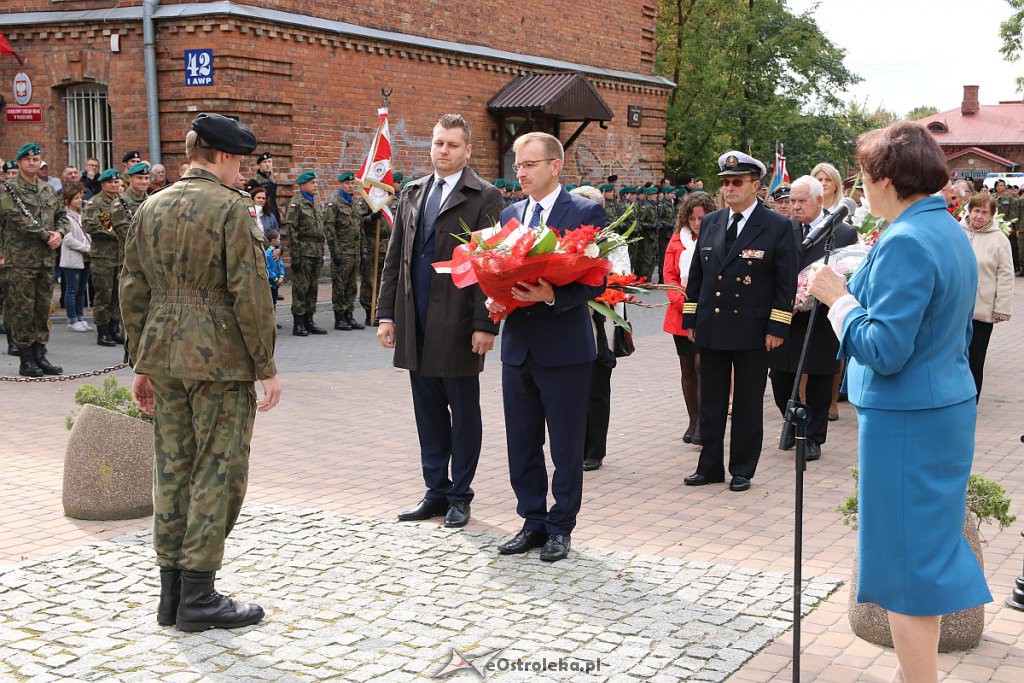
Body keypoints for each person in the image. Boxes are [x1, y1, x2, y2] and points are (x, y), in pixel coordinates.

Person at [808, 121, 992, 683]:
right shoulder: (944, 228)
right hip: (940, 406)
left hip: (907, 418)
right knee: (925, 554)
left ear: (885, 178)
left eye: (863, 178)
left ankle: (919, 679)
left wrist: (839, 301)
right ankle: (918, 672)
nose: (861, 190)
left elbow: (884, 349)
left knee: (907, 562)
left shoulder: (908, 239)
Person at [121, 112, 280, 632]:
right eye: (241, 163)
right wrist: (266, 365)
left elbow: (132, 287)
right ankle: (199, 596)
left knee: (172, 468)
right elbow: (250, 293)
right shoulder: (233, 210)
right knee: (219, 469)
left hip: (164, 355)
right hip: (220, 360)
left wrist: (140, 360)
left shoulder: (151, 205)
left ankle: (171, 595)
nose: (244, 174)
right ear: (226, 158)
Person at [376, 113, 502, 529]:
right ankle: (435, 489)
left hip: (460, 324)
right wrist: (386, 315)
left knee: (463, 413)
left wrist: (485, 323)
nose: (442, 151)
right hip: (417, 321)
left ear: (467, 150)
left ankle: (460, 495)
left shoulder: (484, 196)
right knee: (427, 411)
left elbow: (490, 265)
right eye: (437, 143)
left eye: (451, 144)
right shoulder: (413, 193)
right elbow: (395, 259)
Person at [487, 132, 606, 563]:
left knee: (565, 444)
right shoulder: (510, 214)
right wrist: (495, 296)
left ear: (555, 166)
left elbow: (597, 279)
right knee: (521, 441)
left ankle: (561, 526)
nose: (520, 172)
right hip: (518, 348)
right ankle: (532, 520)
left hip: (565, 349)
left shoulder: (586, 212)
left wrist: (552, 297)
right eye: (517, 164)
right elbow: (499, 269)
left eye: (529, 164)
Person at [682, 151, 798, 492]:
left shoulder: (776, 226)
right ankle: (710, 467)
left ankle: (743, 468)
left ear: (756, 186)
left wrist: (777, 327)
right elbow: (697, 277)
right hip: (713, 326)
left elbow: (785, 282)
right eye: (725, 183)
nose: (729, 188)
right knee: (712, 400)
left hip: (753, 330)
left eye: (737, 182)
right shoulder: (714, 221)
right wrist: (692, 318)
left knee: (747, 404)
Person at [768, 175, 857, 462]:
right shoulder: (783, 229)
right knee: (780, 374)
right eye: (791, 201)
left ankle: (814, 437)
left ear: (819, 200)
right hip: (786, 314)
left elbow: (848, 271)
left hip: (821, 316)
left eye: (801, 201)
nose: (794, 206)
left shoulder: (842, 233)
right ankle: (796, 427)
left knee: (819, 376)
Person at [575, 185, 630, 472]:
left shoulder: (614, 241)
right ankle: (574, 445)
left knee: (597, 388)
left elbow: (619, 278)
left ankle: (594, 450)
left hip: (601, 323)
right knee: (571, 388)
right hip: (570, 320)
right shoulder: (566, 238)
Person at [0, 142, 68, 376]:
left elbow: (62, 215)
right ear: (19, 162)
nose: (33, 163)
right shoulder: (8, 189)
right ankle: (26, 358)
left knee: (42, 308)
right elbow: (16, 218)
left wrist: (60, 233)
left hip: (45, 259)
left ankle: (41, 354)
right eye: (28, 159)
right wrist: (46, 235)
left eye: (36, 159)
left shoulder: (47, 190)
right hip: (20, 260)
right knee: (22, 309)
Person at [664, 192, 715, 447]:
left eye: (702, 218)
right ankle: (693, 420)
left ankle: (704, 424)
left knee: (701, 366)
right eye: (693, 218)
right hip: (680, 314)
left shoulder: (718, 238)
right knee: (687, 369)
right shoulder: (676, 241)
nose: (697, 223)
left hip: (707, 313)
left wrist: (701, 305)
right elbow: (669, 277)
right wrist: (684, 303)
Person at [959, 193, 1013, 400]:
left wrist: (1002, 308)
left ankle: (971, 401)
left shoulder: (999, 239)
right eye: (976, 211)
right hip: (955, 307)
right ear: (969, 211)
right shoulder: (957, 232)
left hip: (981, 310)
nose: (979, 216)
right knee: (954, 357)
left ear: (992, 216)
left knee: (975, 359)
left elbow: (1006, 276)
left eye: (985, 212)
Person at [83, 168, 126, 347]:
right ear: (103, 184)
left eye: (117, 182)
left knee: (117, 294)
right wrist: (113, 233)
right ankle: (103, 331)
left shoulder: (122, 201)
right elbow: (90, 224)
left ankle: (114, 328)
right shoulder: (96, 203)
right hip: (103, 256)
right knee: (104, 294)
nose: (115, 185)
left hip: (120, 257)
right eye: (111, 182)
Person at [283, 170, 328, 336]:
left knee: (313, 287)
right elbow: (291, 230)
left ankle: (309, 320)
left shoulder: (316, 204)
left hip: (316, 251)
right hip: (303, 251)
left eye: (316, 182)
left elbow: (320, 229)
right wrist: (295, 255)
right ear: (303, 185)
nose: (316, 185)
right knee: (301, 288)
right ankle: (299, 322)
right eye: (312, 183)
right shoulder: (296, 203)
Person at [325, 171, 366, 331]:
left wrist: (363, 250)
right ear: (341, 184)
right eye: (347, 184)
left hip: (354, 252)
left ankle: (349, 315)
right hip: (342, 251)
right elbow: (329, 228)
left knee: (351, 286)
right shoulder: (334, 203)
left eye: (352, 184)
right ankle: (339, 317)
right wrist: (335, 251)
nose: (351, 186)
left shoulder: (354, 203)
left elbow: (359, 228)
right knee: (340, 287)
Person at [59, 182, 92, 332]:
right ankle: (72, 320)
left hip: (86, 257)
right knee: (72, 290)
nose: (80, 200)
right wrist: (86, 248)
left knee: (81, 290)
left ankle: (80, 317)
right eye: (76, 198)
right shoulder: (65, 216)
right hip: (72, 258)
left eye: (81, 197)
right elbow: (67, 239)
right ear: (68, 200)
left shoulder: (82, 214)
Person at [249, 152, 280, 223]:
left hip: (273, 214)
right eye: (264, 162)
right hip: (261, 216)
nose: (268, 164)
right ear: (260, 165)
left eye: (269, 162)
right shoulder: (254, 181)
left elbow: (273, 200)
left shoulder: (273, 180)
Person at [263, 228, 285, 329]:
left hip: (276, 282)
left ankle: (273, 321)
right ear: (273, 240)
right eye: (278, 239)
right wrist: (275, 279)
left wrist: (281, 275)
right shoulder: (267, 254)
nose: (280, 241)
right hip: (271, 283)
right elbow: (268, 269)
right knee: (269, 303)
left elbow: (280, 264)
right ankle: (268, 322)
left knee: (274, 302)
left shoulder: (276, 253)